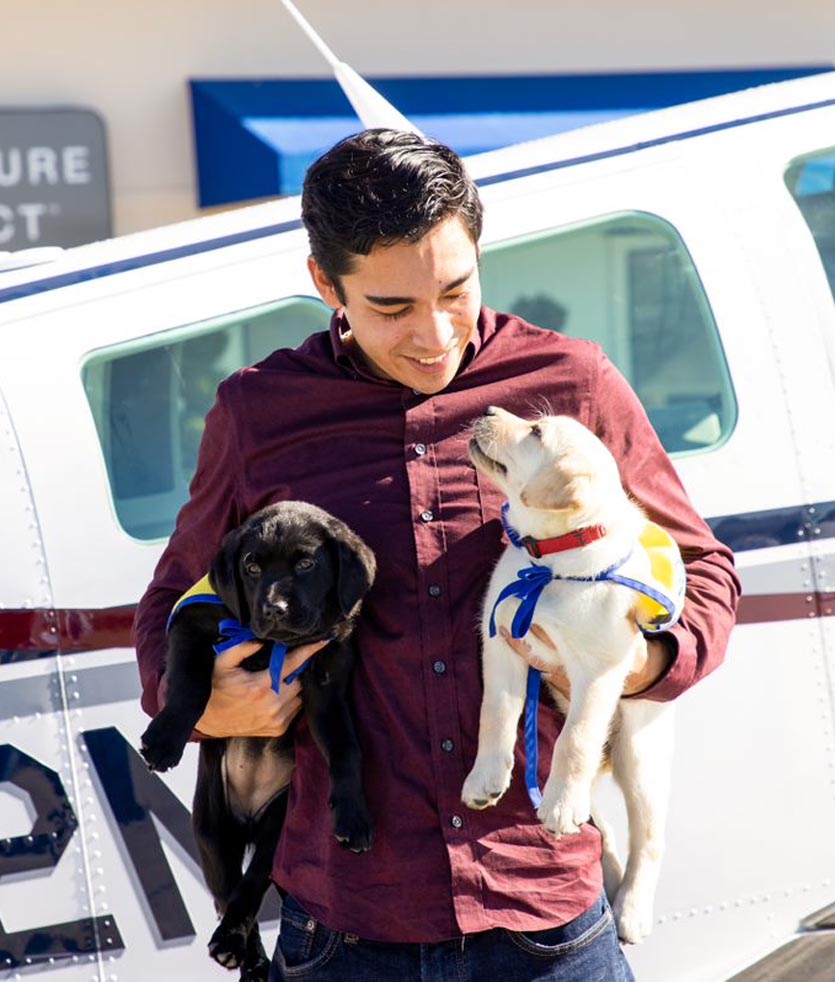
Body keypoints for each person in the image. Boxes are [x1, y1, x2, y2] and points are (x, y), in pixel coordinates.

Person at [134, 128, 740, 981]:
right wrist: (207, 705)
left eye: (456, 290)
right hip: (345, 932)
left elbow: (704, 568)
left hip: (550, 926)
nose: (433, 332)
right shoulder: (256, 415)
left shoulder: (573, 384)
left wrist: (635, 662)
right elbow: (168, 606)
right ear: (323, 283)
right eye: (391, 308)